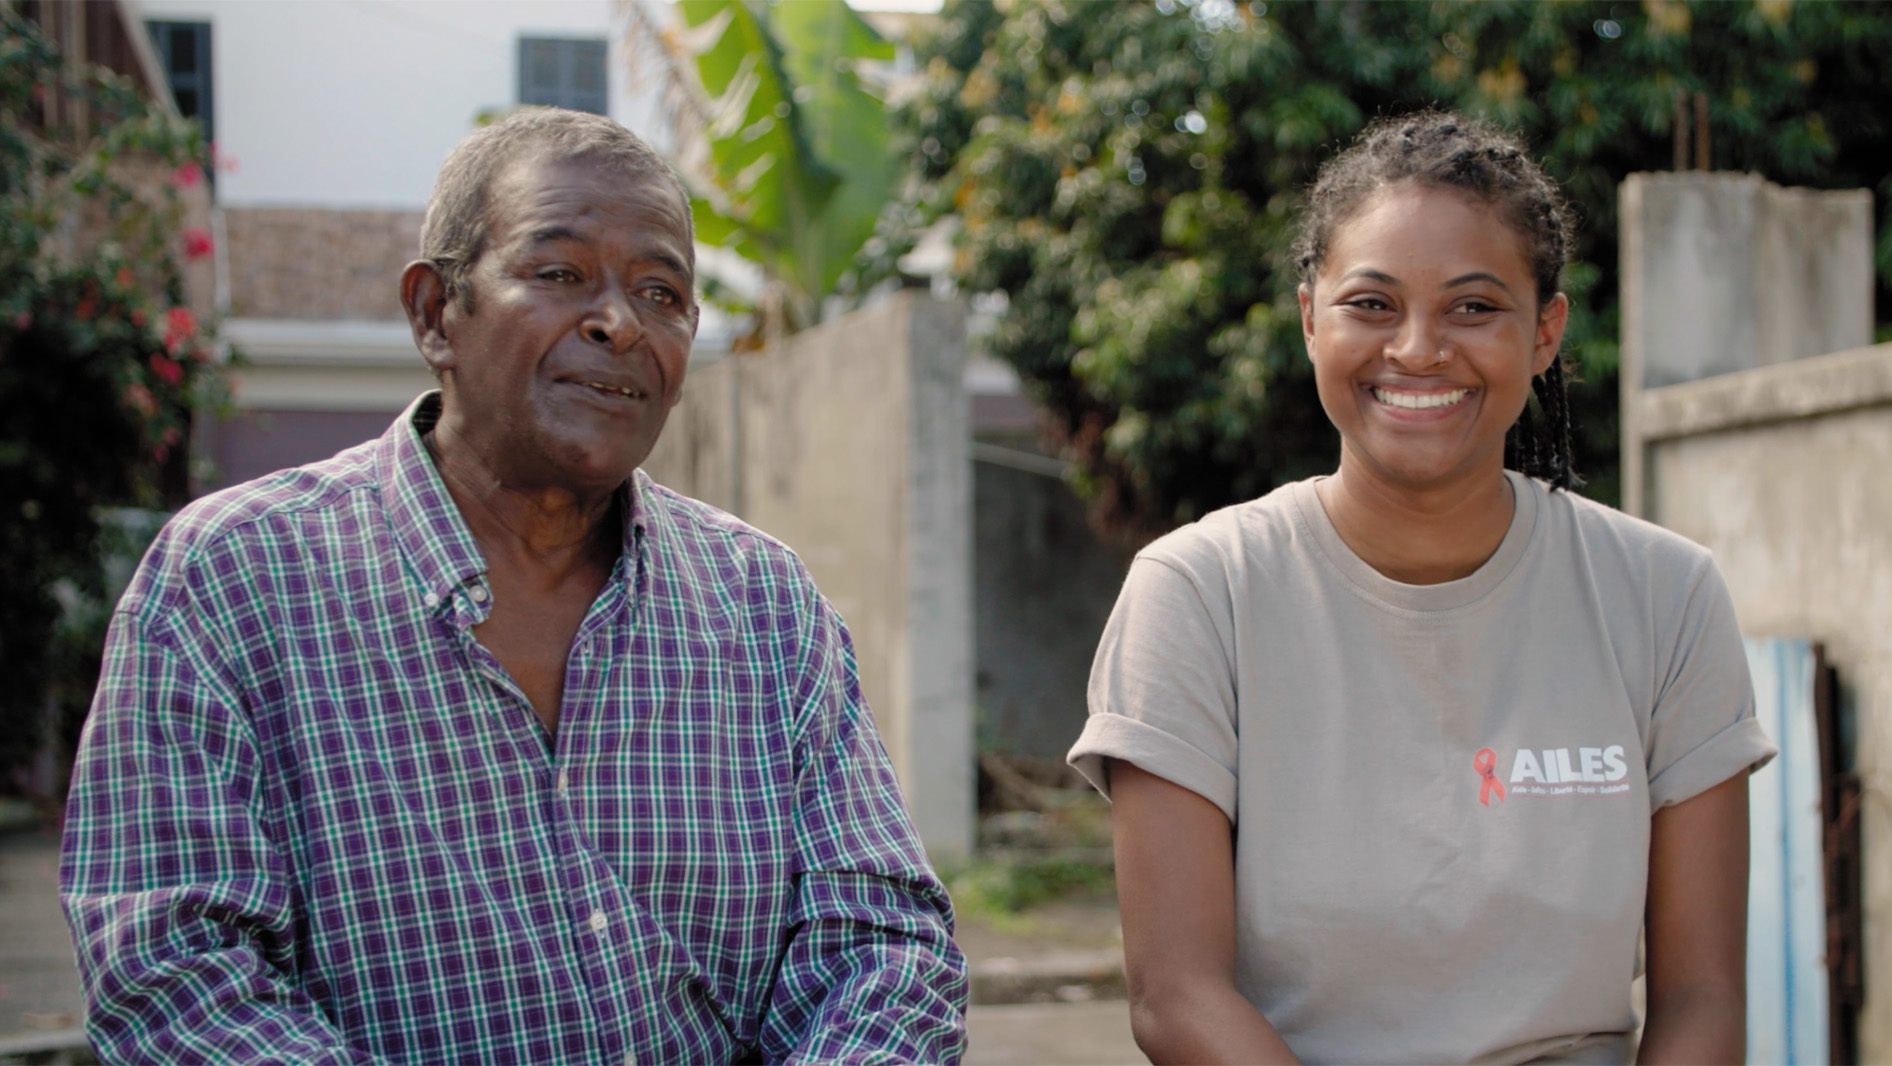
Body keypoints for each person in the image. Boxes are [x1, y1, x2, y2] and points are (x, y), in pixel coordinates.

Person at [60, 108, 967, 1065]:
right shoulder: (233, 578)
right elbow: (176, 975)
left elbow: (886, 943)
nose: (620, 322)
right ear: (434, 313)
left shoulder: (763, 605)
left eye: (661, 293)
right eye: (560, 273)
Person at [1068, 111, 1777, 1065]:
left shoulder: (1666, 596)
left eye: (1473, 307)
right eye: (1372, 303)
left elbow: (1703, 1001)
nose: (1417, 349)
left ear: (1545, 332)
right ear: (1310, 317)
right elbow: (1176, 996)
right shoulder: (1199, 594)